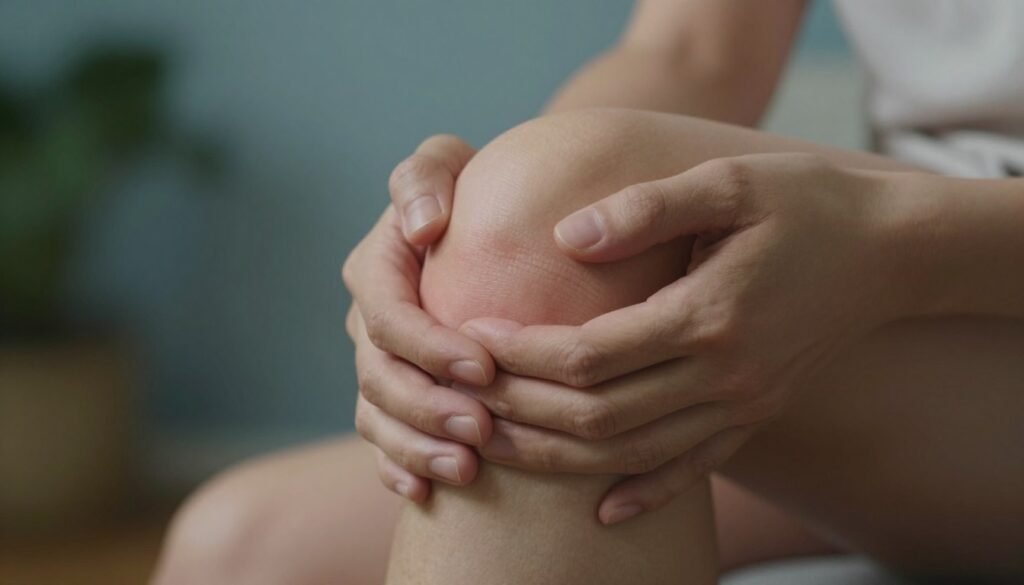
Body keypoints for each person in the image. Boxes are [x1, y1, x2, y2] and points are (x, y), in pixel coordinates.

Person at [151, 1, 1024, 583]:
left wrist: (901, 245)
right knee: (238, 549)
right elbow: (689, 50)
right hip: (929, 333)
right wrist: (464, 232)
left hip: (966, 261)